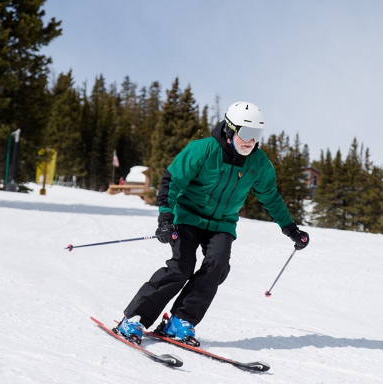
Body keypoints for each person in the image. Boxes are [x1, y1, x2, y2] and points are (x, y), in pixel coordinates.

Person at [114, 101, 309, 346]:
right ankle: (135, 318)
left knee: (217, 266)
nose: (250, 141)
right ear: (230, 130)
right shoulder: (203, 149)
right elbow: (171, 181)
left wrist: (291, 229)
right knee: (180, 268)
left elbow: (270, 197)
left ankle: (180, 320)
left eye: (256, 135)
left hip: (222, 223)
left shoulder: (258, 163)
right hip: (187, 216)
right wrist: (166, 217)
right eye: (246, 134)